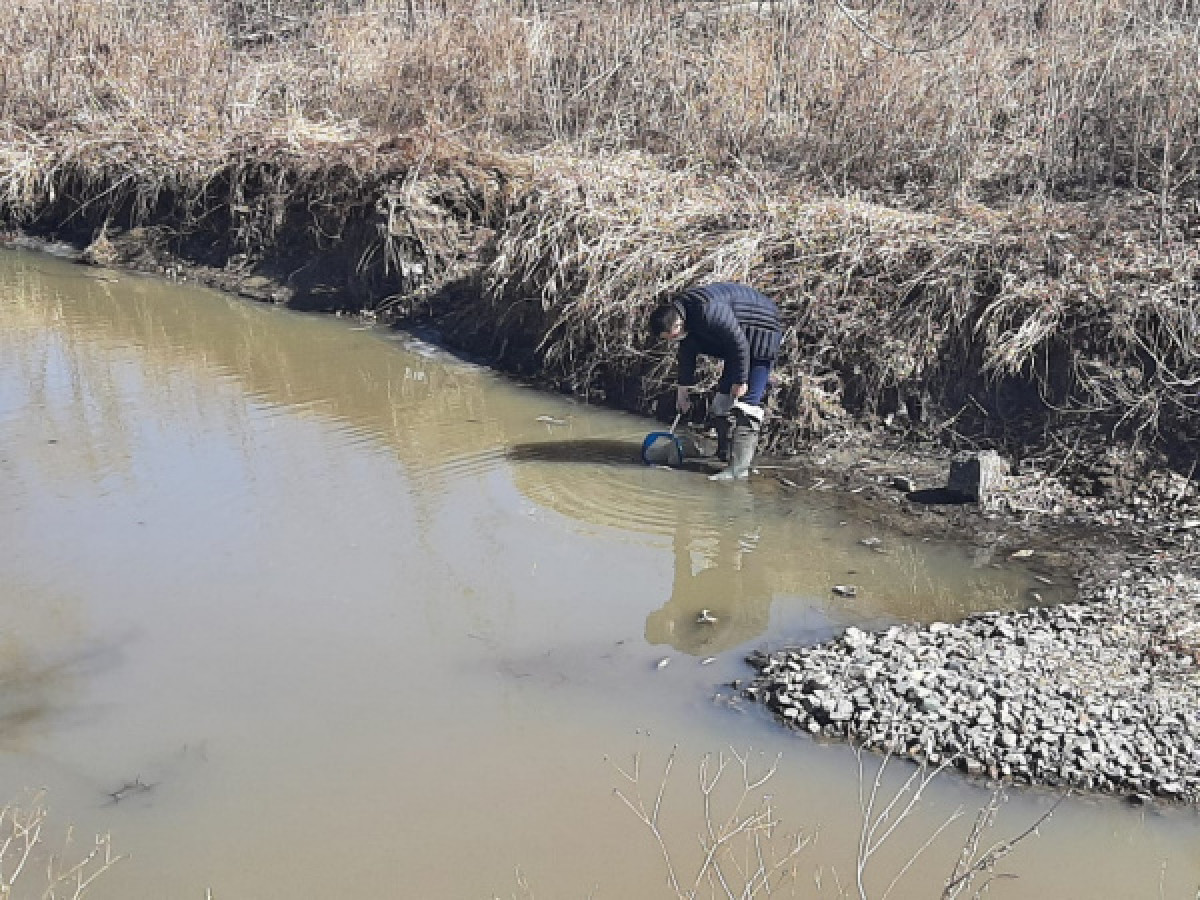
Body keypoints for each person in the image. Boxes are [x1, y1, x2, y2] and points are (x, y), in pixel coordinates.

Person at [648, 282, 782, 480]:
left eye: (671, 337)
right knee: (722, 403)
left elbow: (739, 342)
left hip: (762, 334)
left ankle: (738, 469)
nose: (671, 341)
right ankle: (724, 455)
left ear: (677, 324)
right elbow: (687, 352)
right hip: (737, 346)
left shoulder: (708, 310)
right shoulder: (684, 315)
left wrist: (741, 380)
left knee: (747, 407)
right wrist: (682, 390)